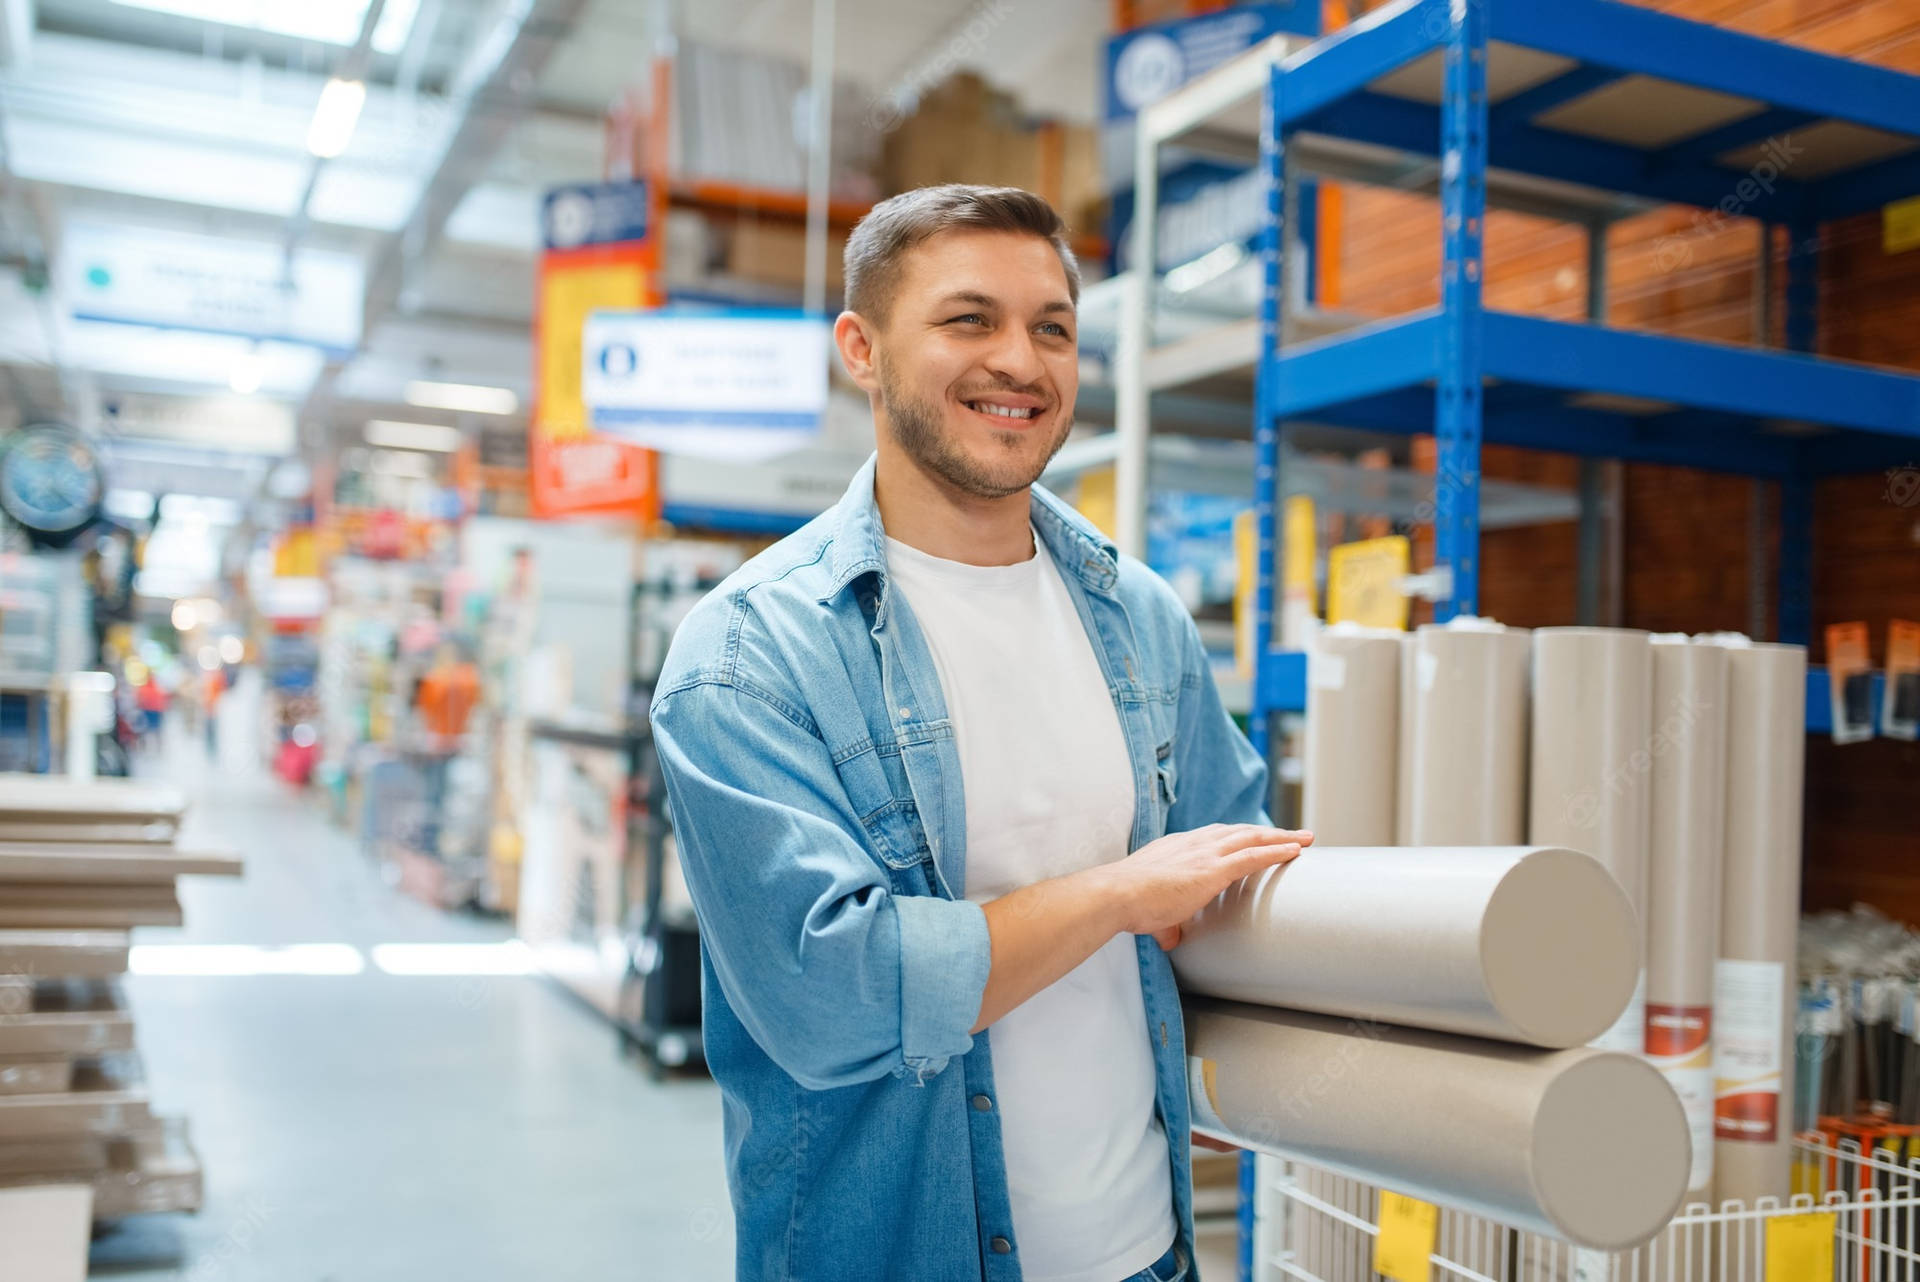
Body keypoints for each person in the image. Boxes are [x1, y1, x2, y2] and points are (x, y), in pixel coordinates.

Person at [651, 184, 1312, 1282]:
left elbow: (1231, 869)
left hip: (1147, 1254)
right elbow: (834, 995)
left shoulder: (1136, 614)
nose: (1022, 360)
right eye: (970, 320)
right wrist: (1119, 895)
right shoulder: (749, 657)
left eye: (1052, 327)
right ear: (861, 349)